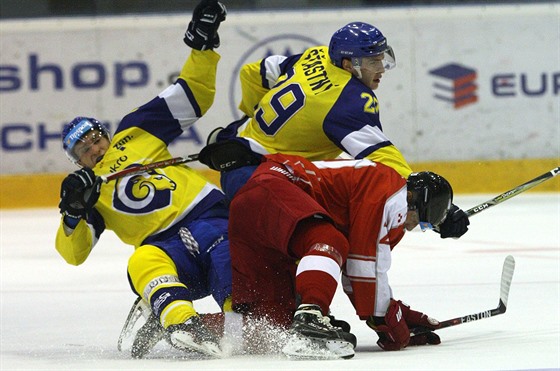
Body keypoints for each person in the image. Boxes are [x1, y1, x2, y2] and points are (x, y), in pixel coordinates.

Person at [55, 0, 229, 359]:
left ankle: (240, 320)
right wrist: (72, 213)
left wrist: (202, 46)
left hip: (210, 220)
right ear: (76, 160)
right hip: (168, 248)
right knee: (142, 261)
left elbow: (193, 94)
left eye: (94, 137)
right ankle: (183, 324)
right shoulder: (88, 189)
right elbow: (73, 253)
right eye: (81, 149)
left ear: (106, 133)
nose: (92, 147)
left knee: (230, 268)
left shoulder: (135, 132)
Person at [199, 21, 469, 239]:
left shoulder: (315, 56)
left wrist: (250, 114)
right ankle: (298, 304)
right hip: (259, 177)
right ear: (349, 64)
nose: (381, 68)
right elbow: (380, 154)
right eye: (373, 61)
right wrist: (426, 200)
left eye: (381, 59)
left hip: (233, 147)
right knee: (318, 238)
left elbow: (252, 73)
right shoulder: (349, 100)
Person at [227, 154, 450, 359]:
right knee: (329, 240)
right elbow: (363, 264)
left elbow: (357, 271)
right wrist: (385, 318)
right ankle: (310, 318)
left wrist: (396, 313)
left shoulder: (379, 193)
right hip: (273, 188)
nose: (412, 227)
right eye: (421, 219)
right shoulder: (390, 189)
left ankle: (198, 330)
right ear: (411, 197)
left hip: (253, 210)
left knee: (268, 323)